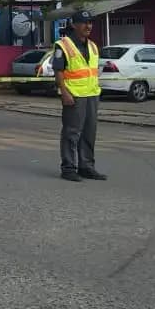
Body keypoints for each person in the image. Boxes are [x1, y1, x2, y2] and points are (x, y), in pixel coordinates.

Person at [52, 9, 106, 182]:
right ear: (74, 25)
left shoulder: (92, 46)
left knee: (89, 133)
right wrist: (64, 92)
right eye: (84, 23)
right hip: (74, 95)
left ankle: (86, 167)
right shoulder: (63, 45)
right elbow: (58, 71)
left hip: (91, 94)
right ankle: (68, 168)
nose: (88, 26)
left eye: (90, 22)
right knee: (72, 133)